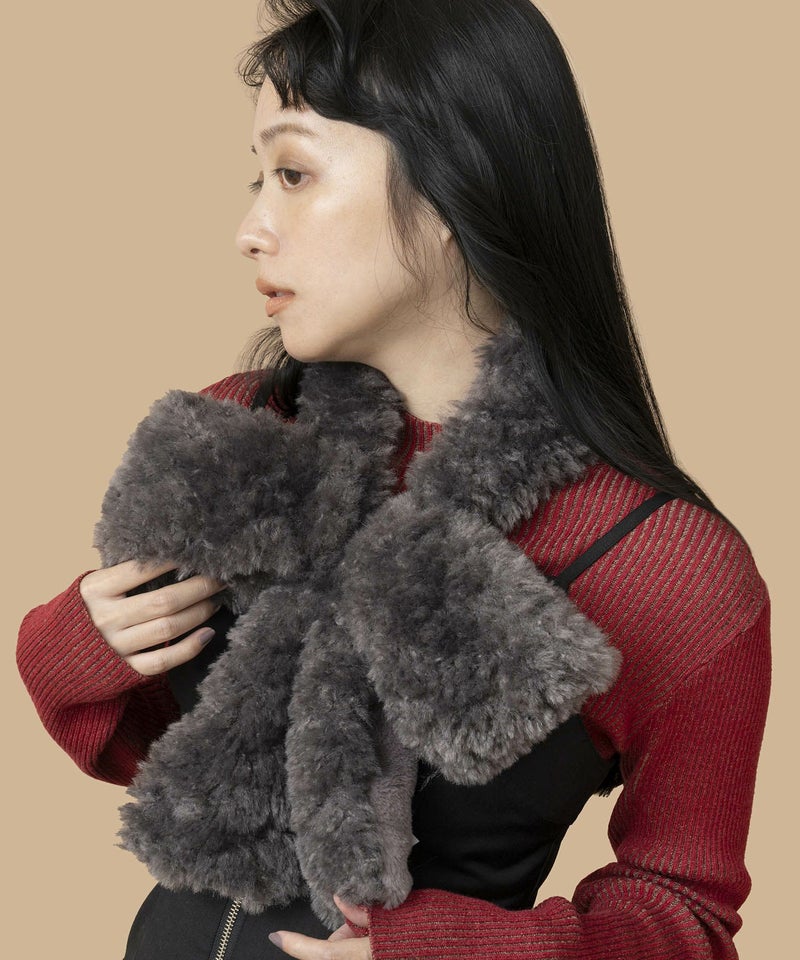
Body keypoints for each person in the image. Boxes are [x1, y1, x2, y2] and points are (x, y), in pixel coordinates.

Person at [16, 1, 771, 958]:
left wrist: (451, 952)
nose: (251, 229)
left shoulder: (667, 566)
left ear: (455, 187)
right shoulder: (243, 439)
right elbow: (153, 751)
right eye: (258, 178)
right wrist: (78, 644)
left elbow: (684, 910)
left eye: (294, 174)